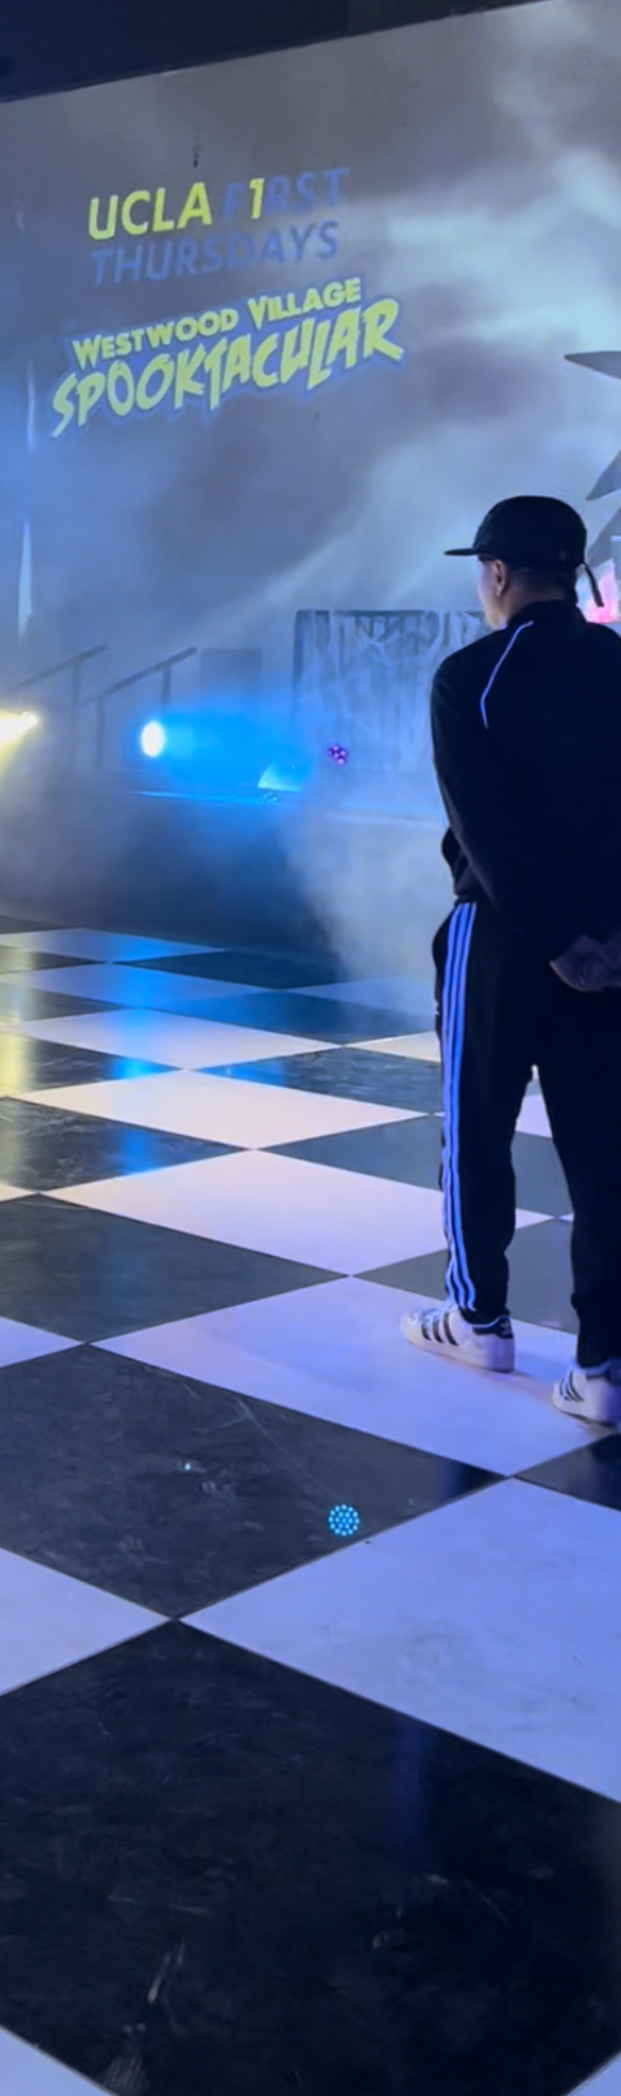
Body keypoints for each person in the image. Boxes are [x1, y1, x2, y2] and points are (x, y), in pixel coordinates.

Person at [402, 495, 621, 1426]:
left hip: (500, 939)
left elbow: (482, 834)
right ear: (571, 571)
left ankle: (480, 1319)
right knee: (607, 1153)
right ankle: (606, 1369)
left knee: (475, 1129)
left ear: (495, 574)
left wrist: (551, 940)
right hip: (613, 947)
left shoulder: (470, 676)